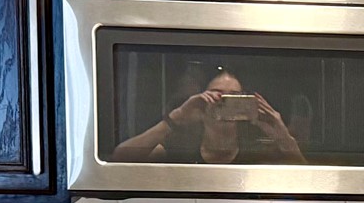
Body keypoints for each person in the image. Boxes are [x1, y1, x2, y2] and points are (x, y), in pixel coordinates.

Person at [110, 68, 305, 164]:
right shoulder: (179, 149)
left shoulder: (259, 152)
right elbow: (119, 158)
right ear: (201, 101)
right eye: (217, 95)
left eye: (234, 97)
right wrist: (176, 117)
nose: (225, 103)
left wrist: (281, 134)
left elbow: (307, 180)